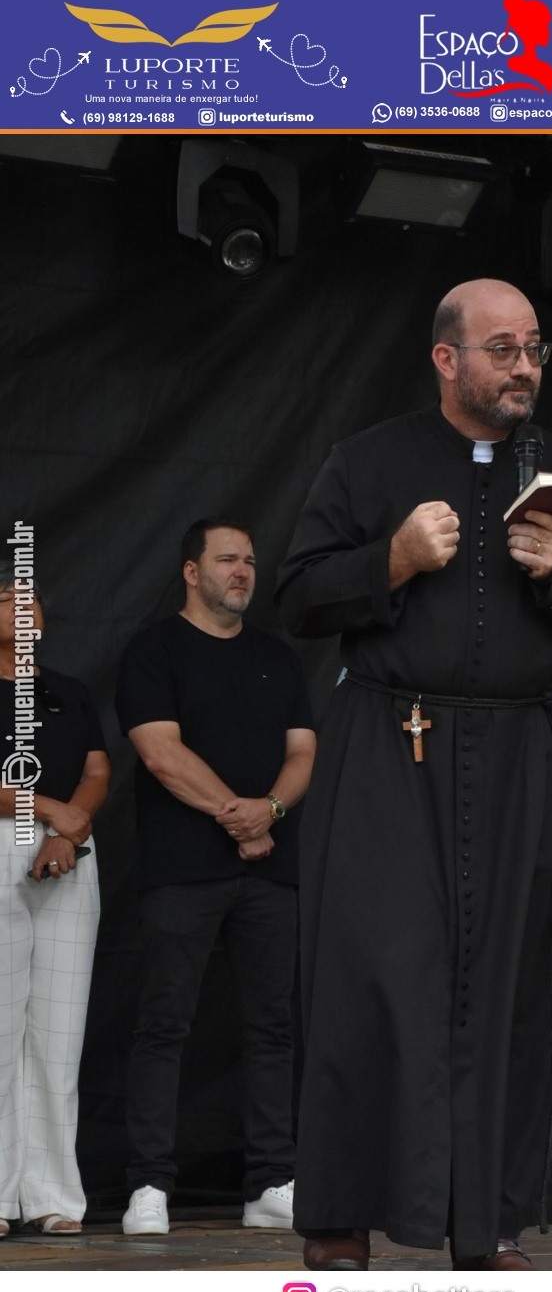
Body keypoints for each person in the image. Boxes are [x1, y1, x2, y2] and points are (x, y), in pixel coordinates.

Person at [275, 277, 552, 1270]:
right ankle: (342, 1214)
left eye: (532, 348)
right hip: (387, 750)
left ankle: (481, 1224)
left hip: (518, 755)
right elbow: (299, 597)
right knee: (371, 979)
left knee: (505, 988)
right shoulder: (369, 461)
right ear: (446, 359)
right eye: (501, 349)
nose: (523, 365)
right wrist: (389, 560)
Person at [115, 519, 316, 1236]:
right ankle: (147, 1188)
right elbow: (160, 753)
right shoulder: (152, 649)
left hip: (272, 872)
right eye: (227, 559)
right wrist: (243, 817)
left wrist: (270, 809)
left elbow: (303, 753)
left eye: (251, 561)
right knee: (164, 1024)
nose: (243, 570)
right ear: (191, 572)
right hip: (181, 869)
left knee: (273, 1029)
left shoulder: (277, 657)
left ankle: (270, 1181)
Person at [0, 560, 109, 1236]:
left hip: (68, 849)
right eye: (10, 600)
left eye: (33, 602)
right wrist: (43, 806)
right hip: (5, 835)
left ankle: (53, 1196)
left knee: (59, 1031)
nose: (25, 611)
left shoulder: (69, 690)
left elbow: (98, 767)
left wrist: (70, 825)